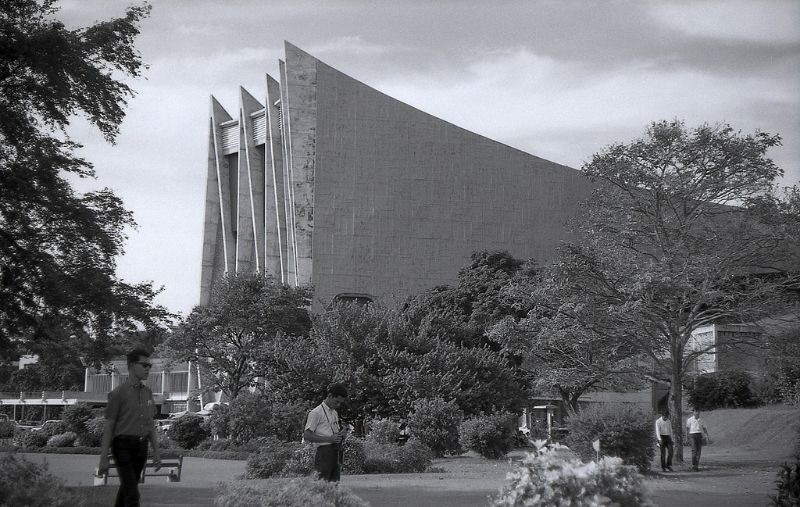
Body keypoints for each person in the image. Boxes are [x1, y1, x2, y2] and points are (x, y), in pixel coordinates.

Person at [97, 348, 161, 506]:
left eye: (149, 366)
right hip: (123, 446)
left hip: (141, 447)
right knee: (132, 495)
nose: (148, 369)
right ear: (132, 366)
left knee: (127, 488)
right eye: (144, 365)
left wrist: (156, 451)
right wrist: (103, 457)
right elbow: (109, 426)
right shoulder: (118, 394)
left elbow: (150, 425)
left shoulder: (148, 393)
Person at [303, 383, 349, 481]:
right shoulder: (316, 413)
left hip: (336, 451)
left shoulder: (334, 412)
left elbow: (333, 433)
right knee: (322, 484)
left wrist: (341, 434)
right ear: (330, 396)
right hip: (323, 452)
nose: (338, 405)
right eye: (336, 402)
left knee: (334, 484)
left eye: (340, 403)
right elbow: (307, 435)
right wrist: (329, 439)